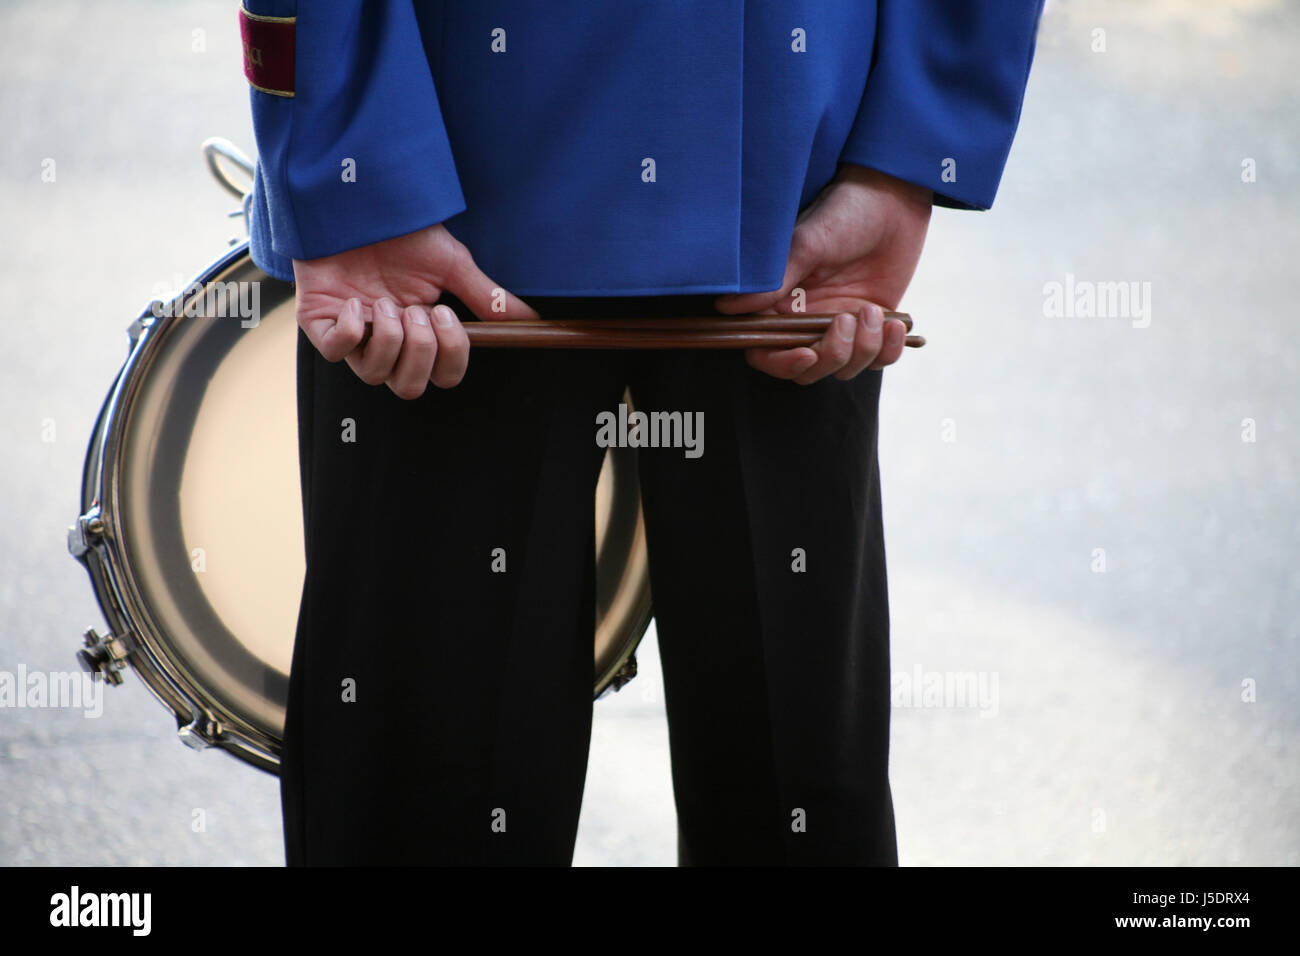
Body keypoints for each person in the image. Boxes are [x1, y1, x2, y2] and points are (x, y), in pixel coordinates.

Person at [240, 0, 1044, 865]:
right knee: (418, 795)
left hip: (791, 217)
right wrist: (355, 163)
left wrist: (908, 151)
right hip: (441, 214)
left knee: (798, 804)